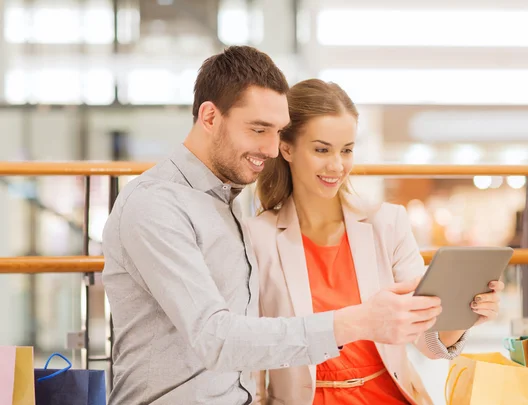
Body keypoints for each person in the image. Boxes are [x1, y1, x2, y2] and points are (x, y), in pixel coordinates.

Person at [101, 46, 445, 405]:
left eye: (277, 132)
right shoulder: (156, 204)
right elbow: (217, 339)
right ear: (209, 117)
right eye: (258, 129)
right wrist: (358, 321)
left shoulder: (225, 205)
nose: (270, 148)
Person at [246, 79, 505, 405]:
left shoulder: (388, 223)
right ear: (287, 148)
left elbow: (428, 340)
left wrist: (465, 314)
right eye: (321, 149)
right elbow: (250, 356)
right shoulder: (258, 237)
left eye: (347, 150)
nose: (337, 166)